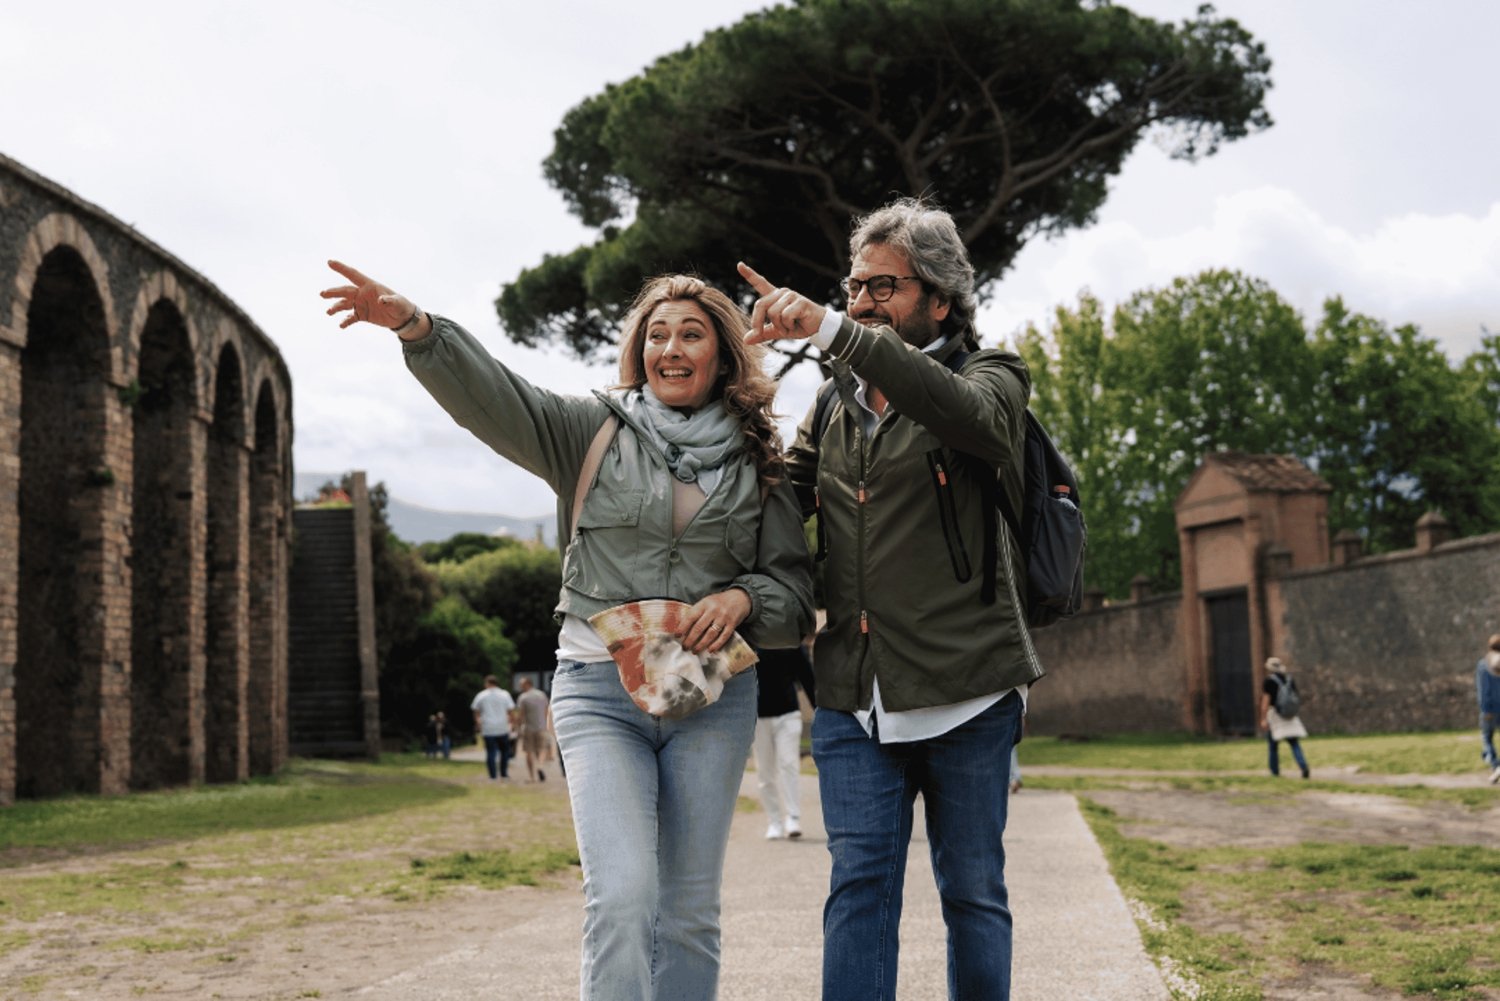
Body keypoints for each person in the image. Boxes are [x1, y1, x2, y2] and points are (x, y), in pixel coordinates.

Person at [321, 262, 814, 1001]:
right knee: (619, 897)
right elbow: (497, 399)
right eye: (656, 335)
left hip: (711, 701)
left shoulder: (759, 461)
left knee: (687, 913)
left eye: (691, 333)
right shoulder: (589, 430)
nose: (671, 349)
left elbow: (795, 596)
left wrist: (744, 598)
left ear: (722, 354)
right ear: (638, 350)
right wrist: (419, 329)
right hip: (595, 690)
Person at [740, 196, 1039, 1001]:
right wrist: (724, 390)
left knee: (973, 892)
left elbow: (966, 415)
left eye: (882, 287)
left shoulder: (994, 377)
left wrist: (838, 335)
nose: (860, 302)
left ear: (940, 297)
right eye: (853, 287)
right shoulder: (836, 401)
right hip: (851, 694)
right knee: (858, 892)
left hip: (969, 691)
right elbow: (778, 499)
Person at [753, 639, 816, 840]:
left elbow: (808, 677)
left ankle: (793, 818)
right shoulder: (749, 639)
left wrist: (820, 713)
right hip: (757, 718)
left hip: (788, 713)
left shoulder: (791, 641)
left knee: (789, 765)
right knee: (764, 773)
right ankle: (774, 820)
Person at [1260, 656, 1310, 779]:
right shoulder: (1289, 679)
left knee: (1273, 745)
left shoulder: (1269, 681)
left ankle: (1274, 771)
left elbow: (1266, 702)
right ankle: (1303, 766)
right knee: (1294, 743)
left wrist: (1263, 718)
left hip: (1275, 715)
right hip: (1289, 716)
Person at [471, 675, 516, 781]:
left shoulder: (481, 695)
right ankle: (504, 774)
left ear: (487, 683)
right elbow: (510, 711)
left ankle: (492, 775)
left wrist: (478, 724)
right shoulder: (505, 694)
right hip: (502, 727)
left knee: (491, 752)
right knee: (504, 751)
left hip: (488, 728)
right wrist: (513, 724)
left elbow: (476, 711)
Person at [515, 677, 552, 783]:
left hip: (528, 728)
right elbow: (546, 711)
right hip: (542, 727)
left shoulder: (523, 697)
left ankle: (532, 777)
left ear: (527, 683)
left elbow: (521, 714)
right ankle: (540, 766)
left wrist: (517, 726)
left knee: (528, 752)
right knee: (542, 749)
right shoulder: (542, 695)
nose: (520, 686)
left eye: (521, 684)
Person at [1477, 634, 1500, 784]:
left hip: (1490, 709)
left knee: (1486, 737)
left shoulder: (1484, 665)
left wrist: (1485, 709)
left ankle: (1495, 764)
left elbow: (1483, 690)